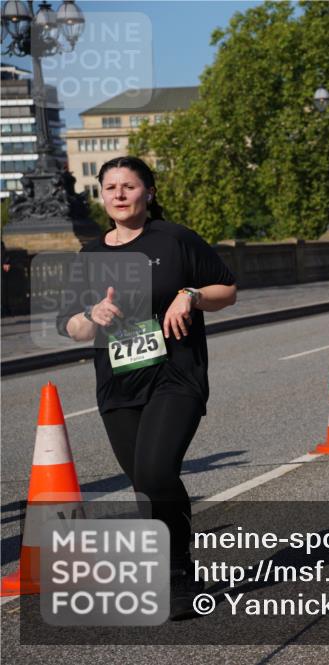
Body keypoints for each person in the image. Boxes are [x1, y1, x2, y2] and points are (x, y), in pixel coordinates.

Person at [55, 156, 237, 620]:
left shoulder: (175, 240)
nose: (118, 194)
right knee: (145, 483)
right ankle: (173, 559)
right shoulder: (90, 257)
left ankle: (178, 576)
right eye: (109, 186)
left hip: (176, 376)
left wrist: (190, 295)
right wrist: (90, 317)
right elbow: (71, 326)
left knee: (156, 473)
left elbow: (227, 290)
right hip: (118, 386)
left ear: (148, 193)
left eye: (129, 186)